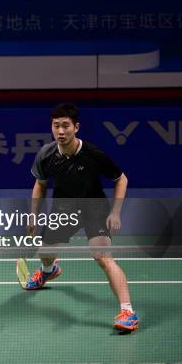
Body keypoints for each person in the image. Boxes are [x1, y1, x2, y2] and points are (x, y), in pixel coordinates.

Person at [26, 103, 138, 332]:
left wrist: (115, 212)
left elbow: (121, 179)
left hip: (93, 209)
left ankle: (128, 312)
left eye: (65, 126)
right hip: (63, 208)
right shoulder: (46, 154)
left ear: (76, 127)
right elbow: (40, 183)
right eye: (56, 126)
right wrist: (33, 215)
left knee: (103, 258)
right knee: (45, 252)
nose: (61, 131)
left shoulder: (93, 155)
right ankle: (49, 271)